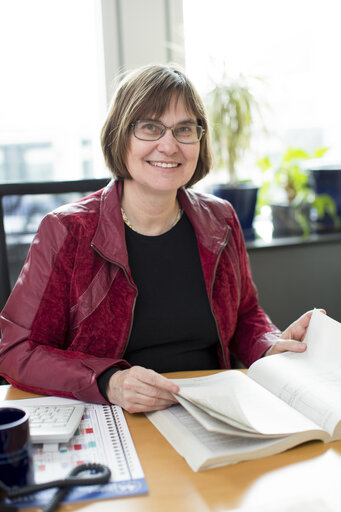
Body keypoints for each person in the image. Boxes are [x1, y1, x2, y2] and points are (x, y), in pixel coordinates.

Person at [0, 64, 316, 413]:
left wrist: (270, 344)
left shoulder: (221, 219)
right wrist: (109, 382)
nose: (169, 146)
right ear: (121, 135)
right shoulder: (67, 230)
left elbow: (245, 317)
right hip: (116, 415)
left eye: (184, 129)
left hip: (214, 409)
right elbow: (16, 350)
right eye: (150, 127)